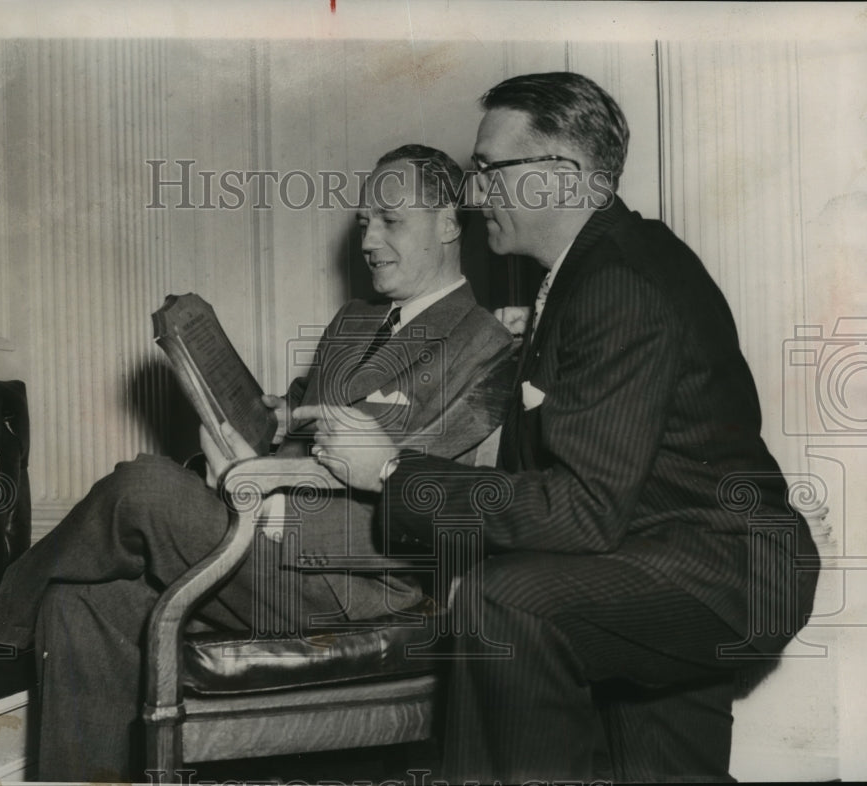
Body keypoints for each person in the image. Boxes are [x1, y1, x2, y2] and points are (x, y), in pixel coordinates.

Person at [293, 74, 821, 782]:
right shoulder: (592, 270)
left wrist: (391, 471)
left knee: (503, 605)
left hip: (719, 569)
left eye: (489, 169)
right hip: (666, 552)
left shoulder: (619, 282)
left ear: (562, 177)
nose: (475, 193)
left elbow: (583, 509)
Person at [0, 144, 513, 782]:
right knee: (79, 604)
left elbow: (425, 486)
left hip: (355, 578)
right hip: (265, 541)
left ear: (451, 222)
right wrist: (264, 417)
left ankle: (0, 618)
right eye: (363, 222)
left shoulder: (484, 343)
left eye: (390, 220)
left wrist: (262, 495)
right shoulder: (354, 323)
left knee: (144, 486)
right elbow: (296, 416)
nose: (369, 238)